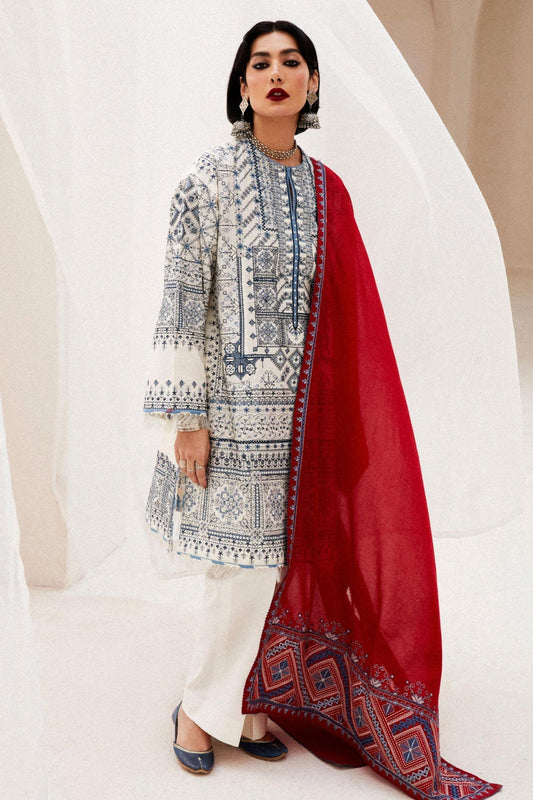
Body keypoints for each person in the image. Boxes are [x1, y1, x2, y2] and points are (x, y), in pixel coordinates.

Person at [143, 20, 502, 798]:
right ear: (242, 84)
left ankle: (246, 708)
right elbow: (181, 304)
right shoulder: (206, 182)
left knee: (278, 569)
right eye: (260, 62)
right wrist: (187, 420)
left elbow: (345, 314)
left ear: (309, 84)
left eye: (291, 62)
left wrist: (350, 423)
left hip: (306, 422)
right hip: (230, 418)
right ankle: (197, 711)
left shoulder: (325, 188)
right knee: (235, 571)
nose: (276, 73)